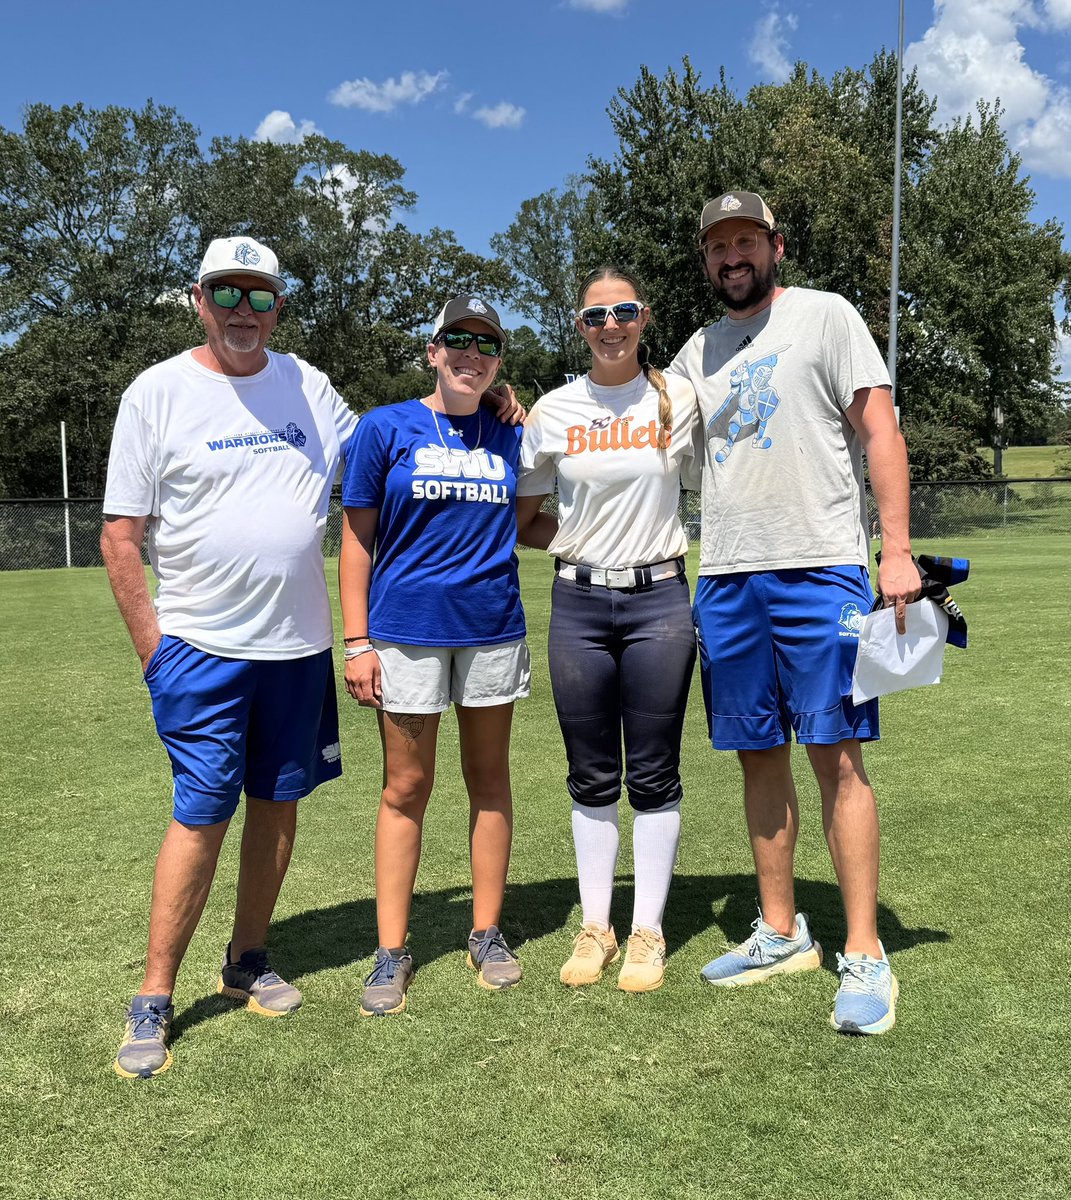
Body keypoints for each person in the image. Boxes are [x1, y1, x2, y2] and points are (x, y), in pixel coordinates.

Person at [101, 236, 357, 1078]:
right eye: (227, 294)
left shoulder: (308, 386)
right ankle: (154, 995)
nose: (244, 312)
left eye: (260, 295)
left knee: (278, 805)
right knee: (202, 812)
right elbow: (120, 536)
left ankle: (247, 957)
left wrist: (483, 403)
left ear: (278, 304)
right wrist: (156, 655)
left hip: (296, 648)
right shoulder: (158, 392)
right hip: (201, 652)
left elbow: (381, 457)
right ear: (198, 299)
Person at [668, 191, 921, 1034]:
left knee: (836, 757)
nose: (730, 256)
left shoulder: (825, 315)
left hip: (820, 570)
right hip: (729, 577)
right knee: (756, 757)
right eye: (716, 246)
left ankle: (864, 952)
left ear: (776, 246)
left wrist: (893, 548)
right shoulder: (695, 349)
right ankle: (781, 932)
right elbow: (631, 420)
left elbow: (880, 431)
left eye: (745, 241)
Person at [339, 295, 535, 1017]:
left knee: (489, 780)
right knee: (404, 788)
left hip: (490, 629)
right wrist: (356, 642)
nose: (469, 354)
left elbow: (531, 519)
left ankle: (485, 932)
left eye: (484, 345)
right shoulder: (383, 427)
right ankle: (390, 950)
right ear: (431, 351)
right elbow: (356, 539)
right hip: (403, 632)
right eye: (456, 340)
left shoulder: (512, 431)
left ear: (497, 362)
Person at [516, 267, 699, 993]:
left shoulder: (679, 397)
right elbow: (525, 519)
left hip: (659, 602)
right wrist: (587, 538)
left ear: (645, 317)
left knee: (652, 772)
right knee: (590, 774)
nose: (611, 325)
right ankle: (597, 926)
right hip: (579, 605)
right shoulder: (553, 410)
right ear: (579, 326)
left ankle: (648, 931)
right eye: (597, 316)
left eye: (624, 311)